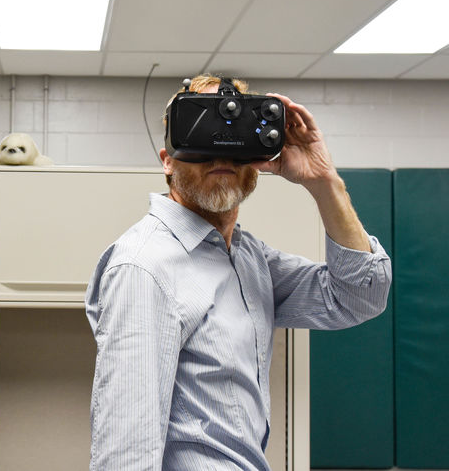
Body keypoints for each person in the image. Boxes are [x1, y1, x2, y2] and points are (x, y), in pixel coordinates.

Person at [85, 74, 392, 471]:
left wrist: (323, 181)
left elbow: (357, 296)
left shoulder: (248, 259)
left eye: (234, 133)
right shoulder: (145, 266)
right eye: (203, 130)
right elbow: (125, 455)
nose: (220, 151)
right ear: (167, 161)